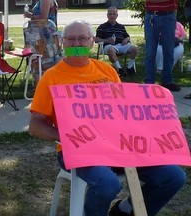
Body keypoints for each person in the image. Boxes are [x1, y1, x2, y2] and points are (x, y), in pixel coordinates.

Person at [29, 20, 186, 216]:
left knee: (173, 177)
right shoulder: (51, 77)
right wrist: (69, 136)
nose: (77, 44)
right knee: (108, 184)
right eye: (71, 39)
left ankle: (123, 212)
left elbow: (124, 111)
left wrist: (160, 124)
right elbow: (35, 126)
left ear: (92, 42)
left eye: (82, 39)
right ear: (63, 42)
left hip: (119, 145)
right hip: (79, 150)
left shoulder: (107, 71)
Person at [144, 0, 181, 92]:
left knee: (168, 50)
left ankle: (167, 82)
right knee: (150, 51)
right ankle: (149, 81)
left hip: (168, 15)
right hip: (152, 15)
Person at [23, 0, 61, 83]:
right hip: (41, 35)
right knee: (37, 62)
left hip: (45, 37)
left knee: (42, 63)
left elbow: (43, 17)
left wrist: (29, 15)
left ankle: (43, 87)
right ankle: (42, 86)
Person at [95, 6, 137, 76]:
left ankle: (129, 68)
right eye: (110, 14)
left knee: (134, 48)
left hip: (121, 45)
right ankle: (120, 69)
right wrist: (107, 40)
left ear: (117, 16)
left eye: (114, 14)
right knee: (111, 50)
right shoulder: (102, 27)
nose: (112, 16)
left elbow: (127, 36)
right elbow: (96, 39)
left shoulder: (121, 27)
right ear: (107, 15)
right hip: (109, 46)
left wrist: (126, 40)